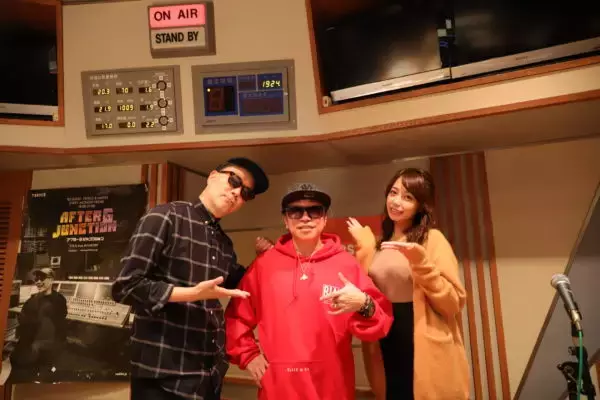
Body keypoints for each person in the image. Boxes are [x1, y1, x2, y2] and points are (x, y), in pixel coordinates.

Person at [111, 157, 272, 400]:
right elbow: (125, 286)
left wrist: (266, 259)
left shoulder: (223, 243)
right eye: (234, 181)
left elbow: (242, 283)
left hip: (207, 377)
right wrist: (192, 294)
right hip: (162, 376)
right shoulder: (165, 216)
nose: (237, 193)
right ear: (212, 176)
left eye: (246, 193)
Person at [224, 183, 394, 400]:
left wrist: (364, 304)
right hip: (279, 386)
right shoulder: (264, 266)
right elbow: (236, 316)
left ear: (324, 218)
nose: (305, 218)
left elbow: (381, 321)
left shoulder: (346, 264)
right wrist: (248, 355)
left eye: (314, 211)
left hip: (332, 386)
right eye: (296, 211)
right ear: (286, 220)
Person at [348, 168, 470, 400]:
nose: (396, 202)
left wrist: (421, 263)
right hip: (385, 334)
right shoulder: (378, 243)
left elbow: (452, 303)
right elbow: (365, 290)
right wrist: (363, 248)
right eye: (393, 193)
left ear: (420, 206)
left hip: (419, 334)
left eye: (408, 197)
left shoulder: (432, 240)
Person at [11, 267, 67, 370]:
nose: (38, 282)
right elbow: (23, 318)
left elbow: (56, 326)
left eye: (42, 278)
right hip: (30, 340)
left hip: (42, 341)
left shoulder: (58, 300)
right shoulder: (33, 299)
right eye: (36, 279)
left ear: (51, 280)